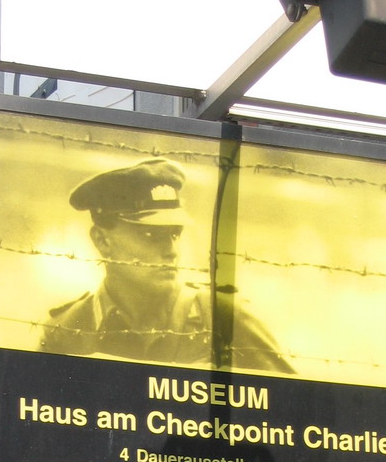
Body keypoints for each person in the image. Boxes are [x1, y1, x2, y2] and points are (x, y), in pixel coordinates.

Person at [38, 158, 292, 374]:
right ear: (102, 240)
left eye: (174, 234)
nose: (171, 250)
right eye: (150, 235)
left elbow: (295, 413)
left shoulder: (222, 318)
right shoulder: (66, 330)